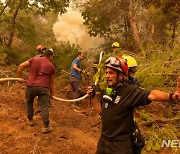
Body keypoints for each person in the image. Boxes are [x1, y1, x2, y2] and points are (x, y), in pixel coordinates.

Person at [87, 56, 180, 154]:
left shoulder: (130, 91)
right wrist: (93, 97)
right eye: (106, 72)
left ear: (121, 75)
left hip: (120, 147)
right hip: (103, 143)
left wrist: (172, 96)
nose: (107, 76)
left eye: (111, 73)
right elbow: (102, 113)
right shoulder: (108, 91)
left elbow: (152, 95)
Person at [17, 49, 55, 134]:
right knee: (44, 106)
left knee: (29, 102)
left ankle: (30, 120)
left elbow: (21, 66)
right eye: (53, 56)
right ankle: (46, 127)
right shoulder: (51, 66)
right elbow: (51, 82)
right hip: (43, 88)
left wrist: (19, 78)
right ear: (50, 56)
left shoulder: (34, 59)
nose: (53, 58)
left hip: (30, 86)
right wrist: (51, 94)